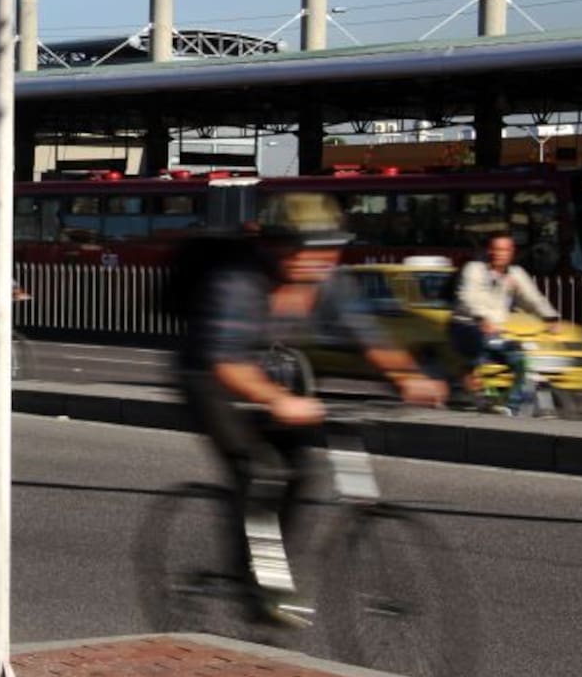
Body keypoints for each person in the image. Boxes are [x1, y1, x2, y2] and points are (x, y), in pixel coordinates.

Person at [169, 192, 447, 625]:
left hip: (268, 371)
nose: (317, 259)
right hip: (207, 376)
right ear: (275, 245)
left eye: (328, 248)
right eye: (304, 247)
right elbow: (224, 362)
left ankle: (270, 567)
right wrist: (280, 400)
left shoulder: (328, 280)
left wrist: (408, 376)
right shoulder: (239, 281)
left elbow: (367, 335)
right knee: (258, 468)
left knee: (302, 468)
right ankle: (251, 581)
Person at [450, 232, 559, 415]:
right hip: (466, 326)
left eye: (506, 249)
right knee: (482, 352)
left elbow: (531, 298)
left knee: (521, 361)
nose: (501, 253)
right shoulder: (475, 269)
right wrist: (481, 317)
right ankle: (477, 391)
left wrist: (549, 317)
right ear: (489, 250)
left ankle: (510, 406)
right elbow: (467, 297)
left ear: (512, 252)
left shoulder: (515, 274)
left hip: (494, 332)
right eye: (497, 249)